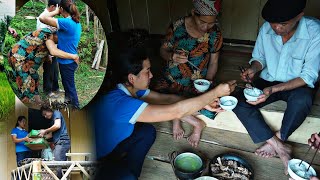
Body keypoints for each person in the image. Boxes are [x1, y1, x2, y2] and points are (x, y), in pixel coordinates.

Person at [91, 47, 236, 180]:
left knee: (147, 132)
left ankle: (119, 167)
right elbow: (176, 111)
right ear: (131, 78)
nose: (152, 75)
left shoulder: (130, 88)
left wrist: (204, 103)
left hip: (108, 147)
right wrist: (214, 93)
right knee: (127, 177)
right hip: (90, 162)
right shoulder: (121, 104)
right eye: (147, 71)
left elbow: (167, 99)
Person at [232, 0, 320, 174]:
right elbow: (260, 59)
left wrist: (274, 90)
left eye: (283, 24)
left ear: (299, 17)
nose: (277, 29)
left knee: (302, 101)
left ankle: (279, 138)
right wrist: (253, 69)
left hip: (297, 84)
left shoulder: (315, 31)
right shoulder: (266, 28)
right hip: (268, 81)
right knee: (238, 101)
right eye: (273, 24)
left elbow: (308, 76)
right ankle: (279, 146)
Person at [154, 0, 223, 147]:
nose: (206, 27)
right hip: (172, 79)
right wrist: (172, 56)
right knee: (155, 98)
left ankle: (177, 117)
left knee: (213, 105)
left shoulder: (215, 33)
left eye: (211, 23)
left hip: (198, 82)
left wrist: (208, 83)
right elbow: (162, 51)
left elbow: (214, 62)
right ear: (193, 13)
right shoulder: (177, 27)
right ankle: (194, 123)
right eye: (202, 22)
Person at [5, 28, 79, 104]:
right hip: (17, 57)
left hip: (27, 60)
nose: (61, 41)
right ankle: (24, 102)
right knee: (26, 82)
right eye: (61, 38)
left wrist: (47, 56)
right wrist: (73, 57)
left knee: (35, 77)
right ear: (57, 35)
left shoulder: (51, 39)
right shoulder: (47, 34)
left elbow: (41, 47)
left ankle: (37, 101)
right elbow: (53, 51)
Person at [39, 0, 82, 108]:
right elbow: (63, 38)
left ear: (61, 9)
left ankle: (75, 107)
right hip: (68, 61)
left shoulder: (66, 22)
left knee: (70, 87)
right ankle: (69, 103)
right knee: (67, 86)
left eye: (59, 8)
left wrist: (56, 11)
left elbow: (42, 18)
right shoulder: (75, 22)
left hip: (67, 62)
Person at [37, 0, 62, 97]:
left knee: (55, 70)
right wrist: (48, 54)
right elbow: (44, 36)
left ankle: (55, 88)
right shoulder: (43, 16)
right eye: (57, 8)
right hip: (47, 49)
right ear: (52, 6)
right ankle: (48, 90)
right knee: (49, 70)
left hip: (53, 49)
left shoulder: (50, 15)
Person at [39, 106, 71, 178]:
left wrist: (45, 131)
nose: (45, 116)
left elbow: (57, 125)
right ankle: (63, 177)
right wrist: (39, 137)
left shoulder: (56, 113)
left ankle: (59, 178)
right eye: (44, 115)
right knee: (60, 164)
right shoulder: (52, 121)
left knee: (58, 163)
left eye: (45, 114)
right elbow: (50, 135)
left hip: (62, 141)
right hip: (59, 143)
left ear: (49, 110)